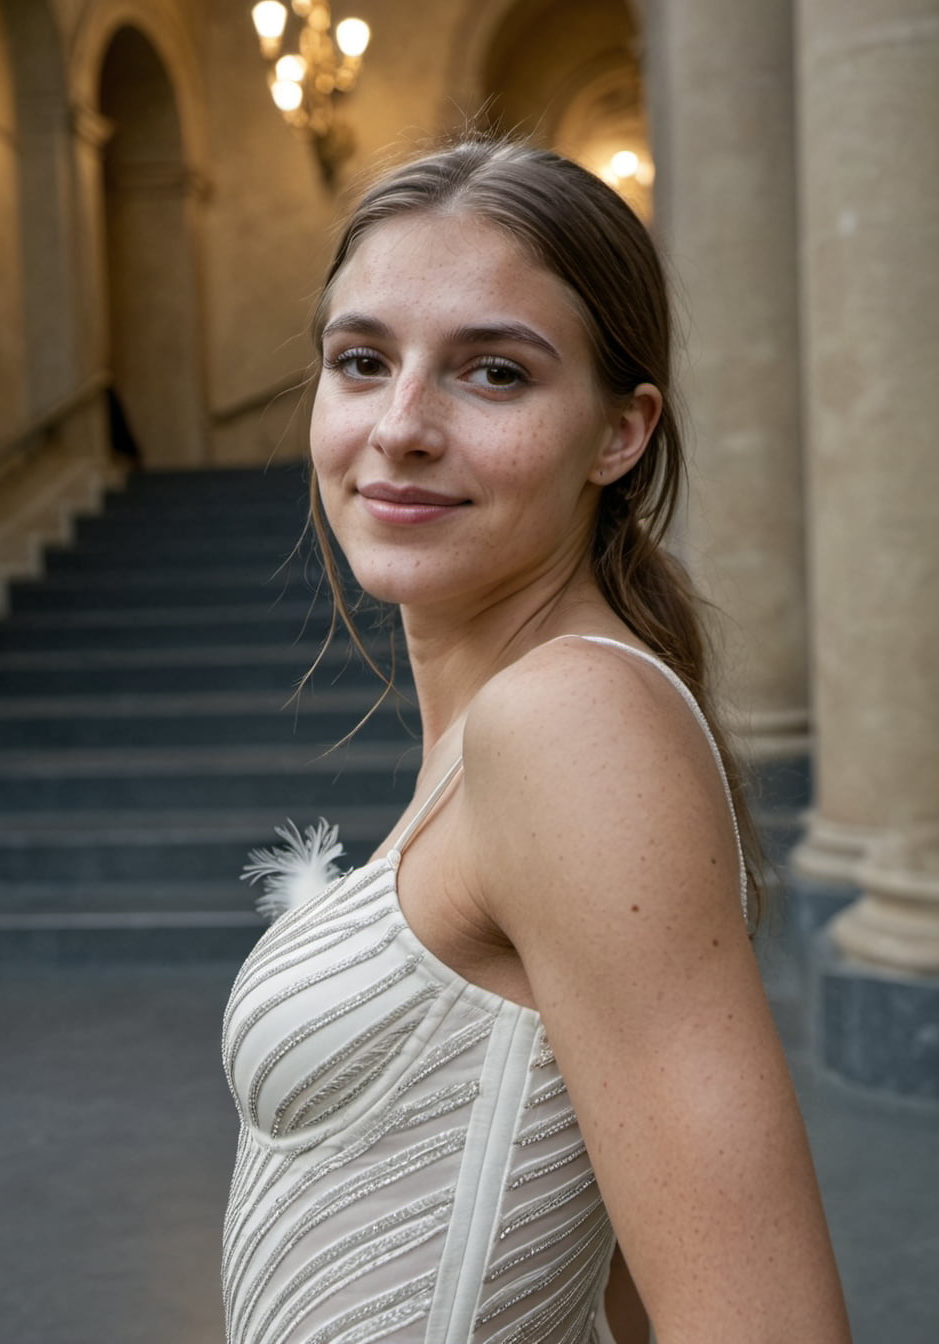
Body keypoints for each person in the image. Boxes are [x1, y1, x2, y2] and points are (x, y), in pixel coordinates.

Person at [221, 136, 851, 1344]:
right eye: (361, 361)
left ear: (619, 434)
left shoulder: (568, 722)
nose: (399, 426)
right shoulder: (510, 727)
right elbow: (621, 1264)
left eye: (493, 375)